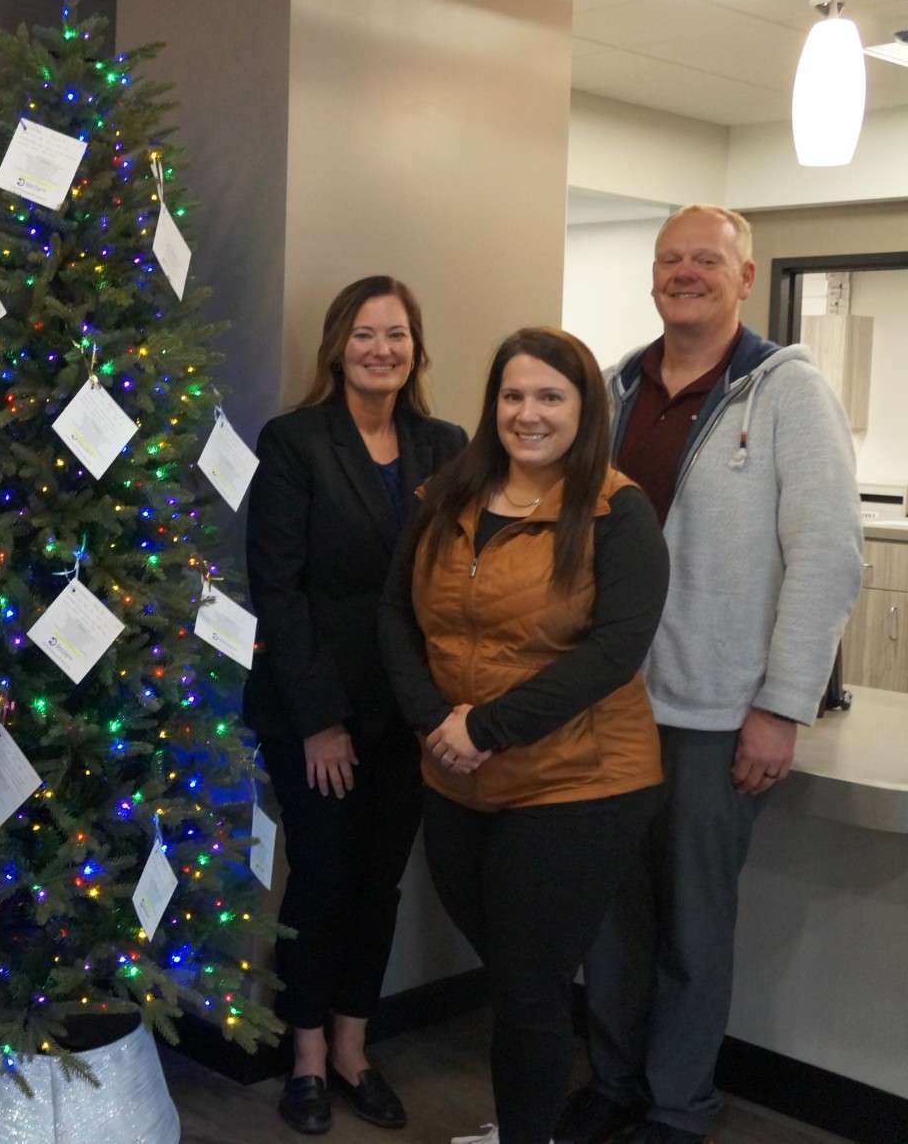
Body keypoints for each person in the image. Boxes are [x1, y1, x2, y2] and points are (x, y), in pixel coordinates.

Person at [558, 206, 863, 1144]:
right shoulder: (613, 389)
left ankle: (678, 1108)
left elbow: (828, 557)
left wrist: (781, 705)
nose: (684, 273)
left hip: (714, 714)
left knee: (693, 928)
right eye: (669, 260)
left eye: (706, 260)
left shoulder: (784, 391)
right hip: (609, 709)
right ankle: (613, 1081)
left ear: (743, 275)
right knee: (612, 920)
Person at [379, 327, 670, 1144]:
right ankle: (520, 1127)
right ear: (492, 404)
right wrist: (437, 722)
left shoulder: (619, 511)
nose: (528, 413)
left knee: (530, 986)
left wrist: (488, 726)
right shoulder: (444, 496)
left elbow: (616, 650)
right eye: (513, 395)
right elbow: (396, 614)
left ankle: (526, 1134)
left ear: (584, 409)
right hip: (457, 774)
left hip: (579, 782)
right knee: (510, 972)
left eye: (550, 397)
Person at [245, 276, 465, 1135]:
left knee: (380, 888)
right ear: (340, 345)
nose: (383, 350)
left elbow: (452, 580)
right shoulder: (295, 441)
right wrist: (320, 720)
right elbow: (279, 590)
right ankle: (302, 1058)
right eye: (367, 335)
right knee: (323, 883)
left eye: (398, 335)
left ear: (416, 349)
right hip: (316, 716)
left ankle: (352, 1048)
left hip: (408, 713)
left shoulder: (444, 444)